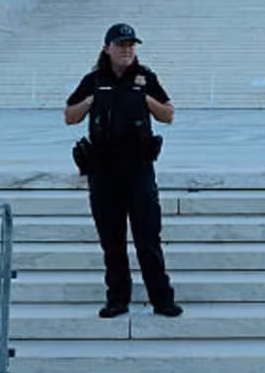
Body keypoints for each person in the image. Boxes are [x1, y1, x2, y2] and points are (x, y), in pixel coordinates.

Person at [64, 22, 180, 318]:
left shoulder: (145, 78)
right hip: (103, 171)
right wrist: (93, 100)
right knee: (112, 239)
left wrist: (143, 97)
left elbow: (168, 115)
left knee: (148, 238)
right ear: (107, 49)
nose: (127, 50)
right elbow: (70, 116)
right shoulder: (93, 79)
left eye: (131, 45)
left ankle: (162, 299)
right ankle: (117, 298)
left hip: (138, 168)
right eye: (121, 45)